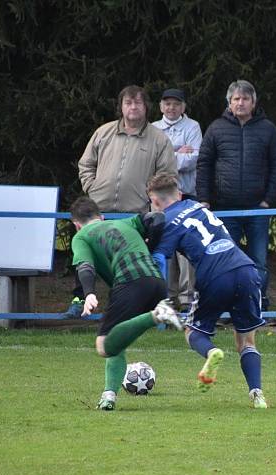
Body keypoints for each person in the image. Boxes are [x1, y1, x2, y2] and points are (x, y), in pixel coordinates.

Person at [147, 174, 268, 408]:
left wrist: (158, 296)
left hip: (214, 275)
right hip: (245, 269)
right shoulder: (195, 205)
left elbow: (159, 260)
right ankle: (257, 394)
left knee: (193, 332)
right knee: (246, 341)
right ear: (179, 194)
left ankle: (212, 352)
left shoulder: (166, 222)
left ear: (155, 200)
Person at [64, 85, 177, 318]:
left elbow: (167, 176)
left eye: (138, 103)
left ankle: (141, 311)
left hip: (134, 212)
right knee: (84, 252)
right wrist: (92, 187)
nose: (133, 107)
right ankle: (79, 298)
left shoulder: (159, 139)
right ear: (121, 107)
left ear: (146, 107)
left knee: (133, 262)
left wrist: (151, 200)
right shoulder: (103, 132)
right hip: (99, 210)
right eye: (128, 103)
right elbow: (85, 164)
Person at [69, 196, 183, 411]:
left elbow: (85, 267)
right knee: (118, 336)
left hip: (130, 282)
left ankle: (157, 315)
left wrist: (89, 293)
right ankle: (109, 395)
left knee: (104, 346)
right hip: (157, 280)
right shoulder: (125, 222)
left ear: (76, 225)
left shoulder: (81, 236)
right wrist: (152, 246)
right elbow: (157, 218)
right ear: (101, 217)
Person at [196, 80, 276, 321]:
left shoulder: (268, 129)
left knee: (259, 262)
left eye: (245, 98)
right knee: (227, 262)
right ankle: (229, 310)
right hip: (225, 209)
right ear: (229, 102)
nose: (240, 102)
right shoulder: (216, 128)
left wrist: (269, 199)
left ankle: (258, 308)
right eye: (236, 98)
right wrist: (204, 198)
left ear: (254, 102)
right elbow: (203, 164)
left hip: (258, 209)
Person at [152, 88, 202, 311]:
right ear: (161, 106)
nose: (171, 108)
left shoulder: (193, 127)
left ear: (183, 106)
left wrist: (168, 156)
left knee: (187, 251)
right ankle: (168, 299)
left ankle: (186, 299)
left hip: (186, 194)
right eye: (167, 103)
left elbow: (192, 159)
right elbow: (153, 162)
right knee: (165, 247)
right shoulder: (153, 129)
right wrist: (177, 152)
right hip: (160, 198)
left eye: (176, 104)